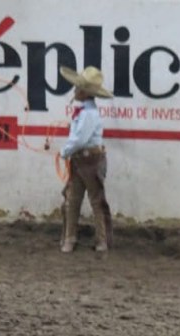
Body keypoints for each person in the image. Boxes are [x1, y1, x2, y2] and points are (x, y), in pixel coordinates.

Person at [58, 65, 114, 254]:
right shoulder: (86, 112)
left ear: (83, 92)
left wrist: (65, 151)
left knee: (90, 200)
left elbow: (80, 139)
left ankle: (85, 240)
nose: (74, 91)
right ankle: (79, 239)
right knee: (77, 199)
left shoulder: (88, 114)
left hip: (89, 160)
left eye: (77, 88)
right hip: (85, 160)